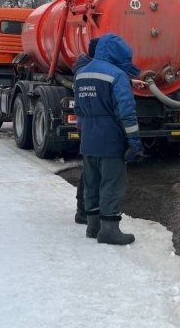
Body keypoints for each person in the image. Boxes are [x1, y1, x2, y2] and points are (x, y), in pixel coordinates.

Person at [73, 34, 141, 245]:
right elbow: (126, 112)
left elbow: (78, 110)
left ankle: (93, 226)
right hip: (110, 138)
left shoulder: (81, 73)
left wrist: (84, 133)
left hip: (89, 139)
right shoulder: (117, 75)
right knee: (111, 183)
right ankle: (109, 229)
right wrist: (134, 142)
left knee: (91, 183)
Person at [71, 38, 99, 225]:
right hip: (91, 126)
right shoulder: (87, 72)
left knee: (91, 169)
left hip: (89, 125)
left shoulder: (84, 69)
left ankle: (86, 209)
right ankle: (84, 210)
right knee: (91, 170)